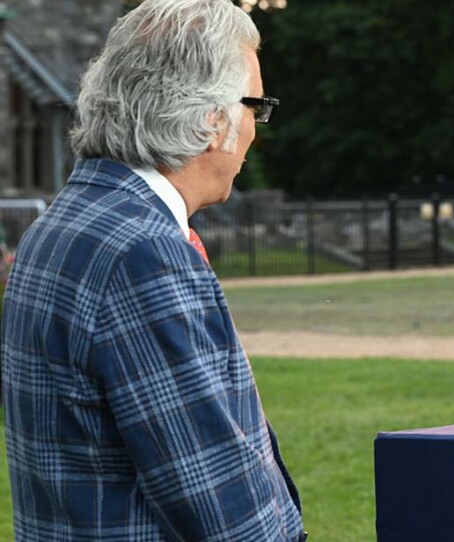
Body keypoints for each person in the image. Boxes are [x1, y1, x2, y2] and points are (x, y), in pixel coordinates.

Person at [1, 1, 305, 540]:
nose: (256, 128)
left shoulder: (60, 225)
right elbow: (220, 503)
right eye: (254, 106)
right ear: (214, 120)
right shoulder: (142, 252)